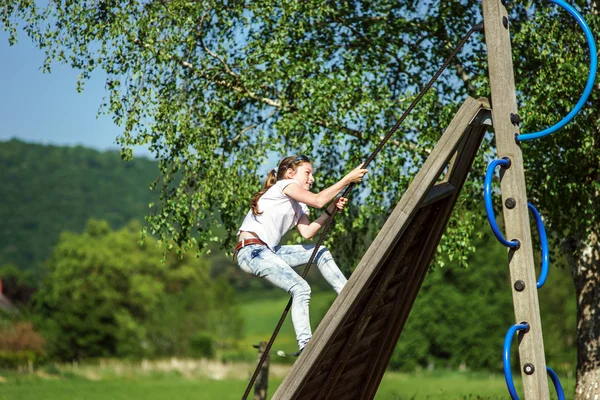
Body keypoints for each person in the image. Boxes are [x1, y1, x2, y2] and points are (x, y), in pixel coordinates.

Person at [235, 154, 368, 355]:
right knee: (300, 288)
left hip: (268, 252)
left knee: (319, 251)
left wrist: (331, 210)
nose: (312, 178)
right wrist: (347, 179)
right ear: (290, 174)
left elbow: (307, 232)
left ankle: (347, 293)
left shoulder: (298, 205)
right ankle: (306, 344)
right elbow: (317, 200)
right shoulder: (283, 187)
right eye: (307, 173)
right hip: (252, 251)